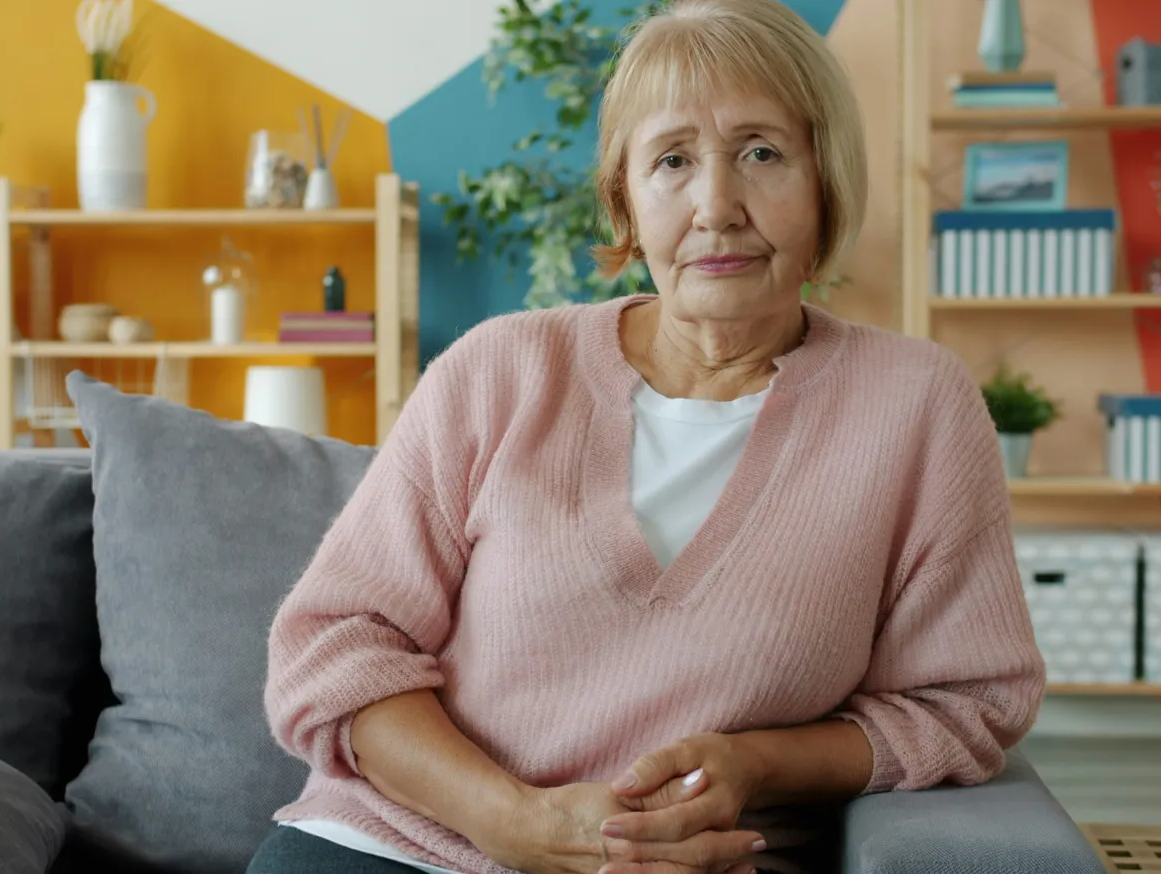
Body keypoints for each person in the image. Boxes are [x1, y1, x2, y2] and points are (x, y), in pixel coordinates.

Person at [248, 0, 1046, 872]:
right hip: (397, 847)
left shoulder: (916, 406)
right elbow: (337, 646)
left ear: (827, 183)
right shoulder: (499, 371)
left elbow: (967, 704)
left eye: (762, 153)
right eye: (672, 160)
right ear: (624, 201)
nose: (717, 205)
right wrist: (508, 819)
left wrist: (755, 765)